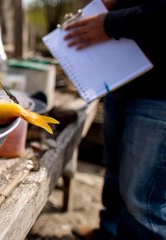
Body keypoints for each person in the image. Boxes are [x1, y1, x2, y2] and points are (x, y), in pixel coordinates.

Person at [64, 0, 166, 239]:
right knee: (116, 174)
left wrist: (109, 23)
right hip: (120, 84)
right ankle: (109, 232)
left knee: (144, 200)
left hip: (159, 95)